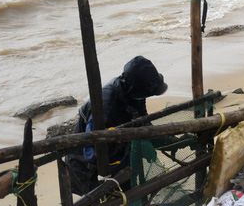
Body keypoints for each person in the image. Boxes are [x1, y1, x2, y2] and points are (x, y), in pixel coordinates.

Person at [66, 55, 168, 195]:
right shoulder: (106, 109)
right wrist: (138, 149)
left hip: (117, 154)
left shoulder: (132, 92)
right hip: (88, 166)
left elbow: (143, 122)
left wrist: (163, 141)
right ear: (136, 89)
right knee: (110, 205)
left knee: (130, 198)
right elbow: (95, 154)